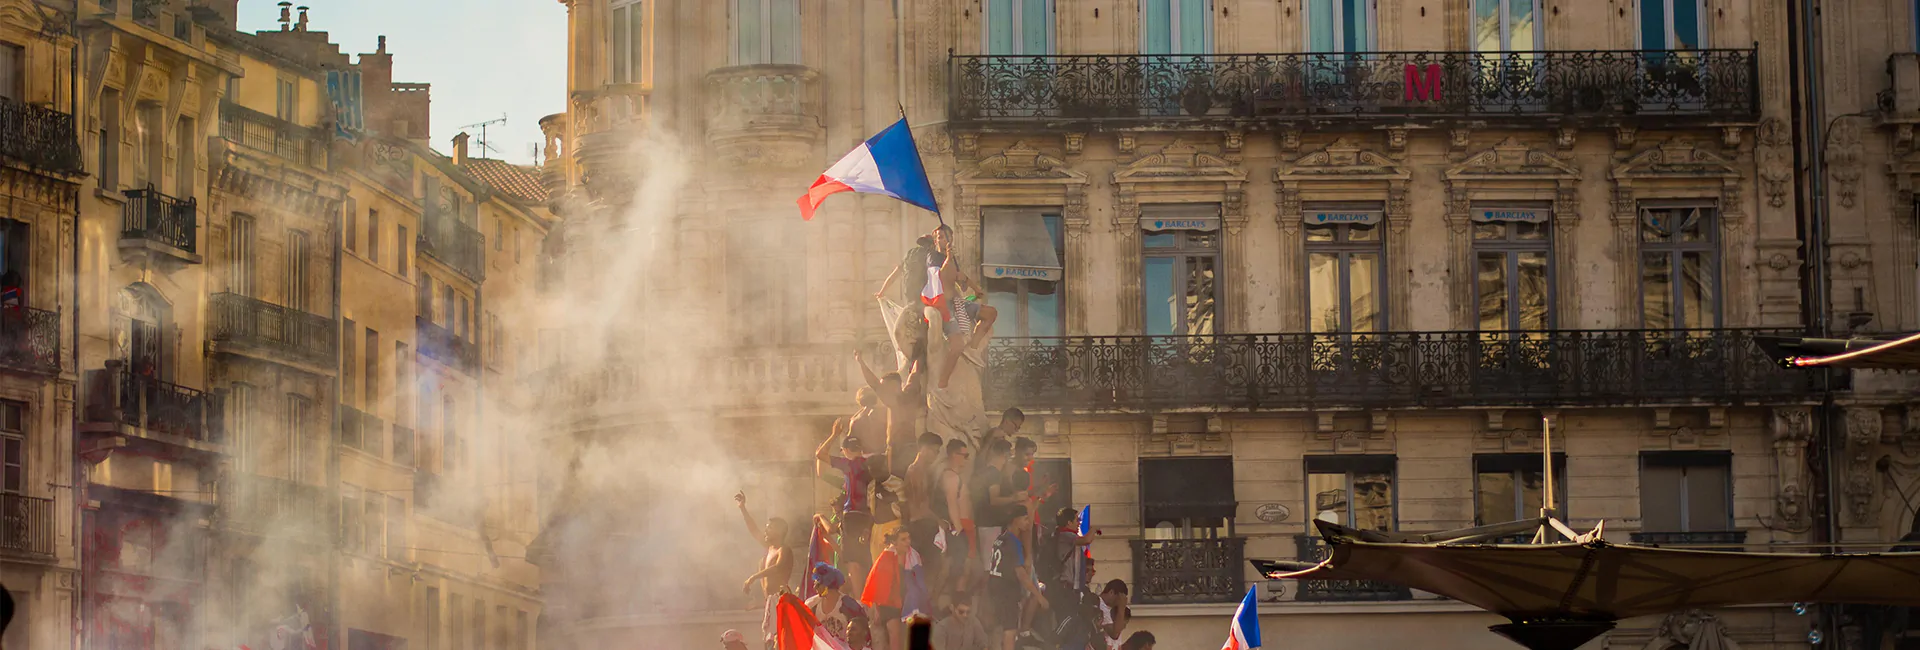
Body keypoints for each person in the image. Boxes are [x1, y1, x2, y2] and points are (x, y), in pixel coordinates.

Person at [816, 418, 877, 589]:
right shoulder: (872, 463)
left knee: (853, 562)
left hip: (852, 516)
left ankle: (861, 602)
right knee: (868, 558)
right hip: (871, 516)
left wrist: (834, 434)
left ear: (844, 450)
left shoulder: (849, 464)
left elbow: (820, 455)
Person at [931, 241, 998, 389]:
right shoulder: (934, 259)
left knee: (991, 313)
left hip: (958, 303)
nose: (940, 240)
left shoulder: (952, 261)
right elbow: (944, 277)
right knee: (957, 346)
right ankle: (942, 382)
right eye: (938, 237)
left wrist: (976, 289)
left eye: (942, 236)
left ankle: (973, 348)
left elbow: (962, 278)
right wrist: (949, 257)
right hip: (945, 307)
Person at [736, 492, 793, 646]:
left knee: (778, 643)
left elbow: (777, 567)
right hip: (770, 603)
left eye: (770, 528)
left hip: (781, 603)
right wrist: (743, 508)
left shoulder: (784, 549)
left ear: (780, 531)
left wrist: (753, 577)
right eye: (766, 528)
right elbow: (753, 530)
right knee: (769, 642)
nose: (766, 531)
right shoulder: (769, 548)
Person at [987, 508, 1047, 650]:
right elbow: (1020, 574)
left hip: (994, 586)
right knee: (1010, 630)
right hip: (1007, 590)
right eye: (1025, 519)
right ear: (1016, 520)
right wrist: (1039, 596)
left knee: (997, 628)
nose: (1028, 523)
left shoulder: (1000, 539)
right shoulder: (1014, 543)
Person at [902, 432, 945, 598]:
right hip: (920, 526)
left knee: (933, 569)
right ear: (925, 449)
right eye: (935, 450)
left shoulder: (921, 470)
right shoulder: (916, 471)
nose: (936, 455)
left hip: (922, 525)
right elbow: (921, 506)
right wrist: (939, 520)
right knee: (927, 571)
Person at [936, 438, 975, 601]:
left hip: (965, 527)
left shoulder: (954, 476)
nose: (966, 459)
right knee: (956, 569)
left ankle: (954, 602)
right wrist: (958, 530)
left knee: (964, 570)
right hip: (958, 528)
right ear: (954, 455)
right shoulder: (950, 477)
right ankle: (940, 602)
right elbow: (952, 503)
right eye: (964, 455)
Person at [807, 563, 867, 644]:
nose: (814, 588)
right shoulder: (811, 605)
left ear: (826, 585)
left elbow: (862, 634)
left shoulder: (849, 606)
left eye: (818, 584)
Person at [1096, 580, 1131, 650]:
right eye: (1119, 598)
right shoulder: (1099, 605)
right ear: (1111, 592)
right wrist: (1121, 606)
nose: (1119, 602)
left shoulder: (1110, 608)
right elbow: (1115, 634)